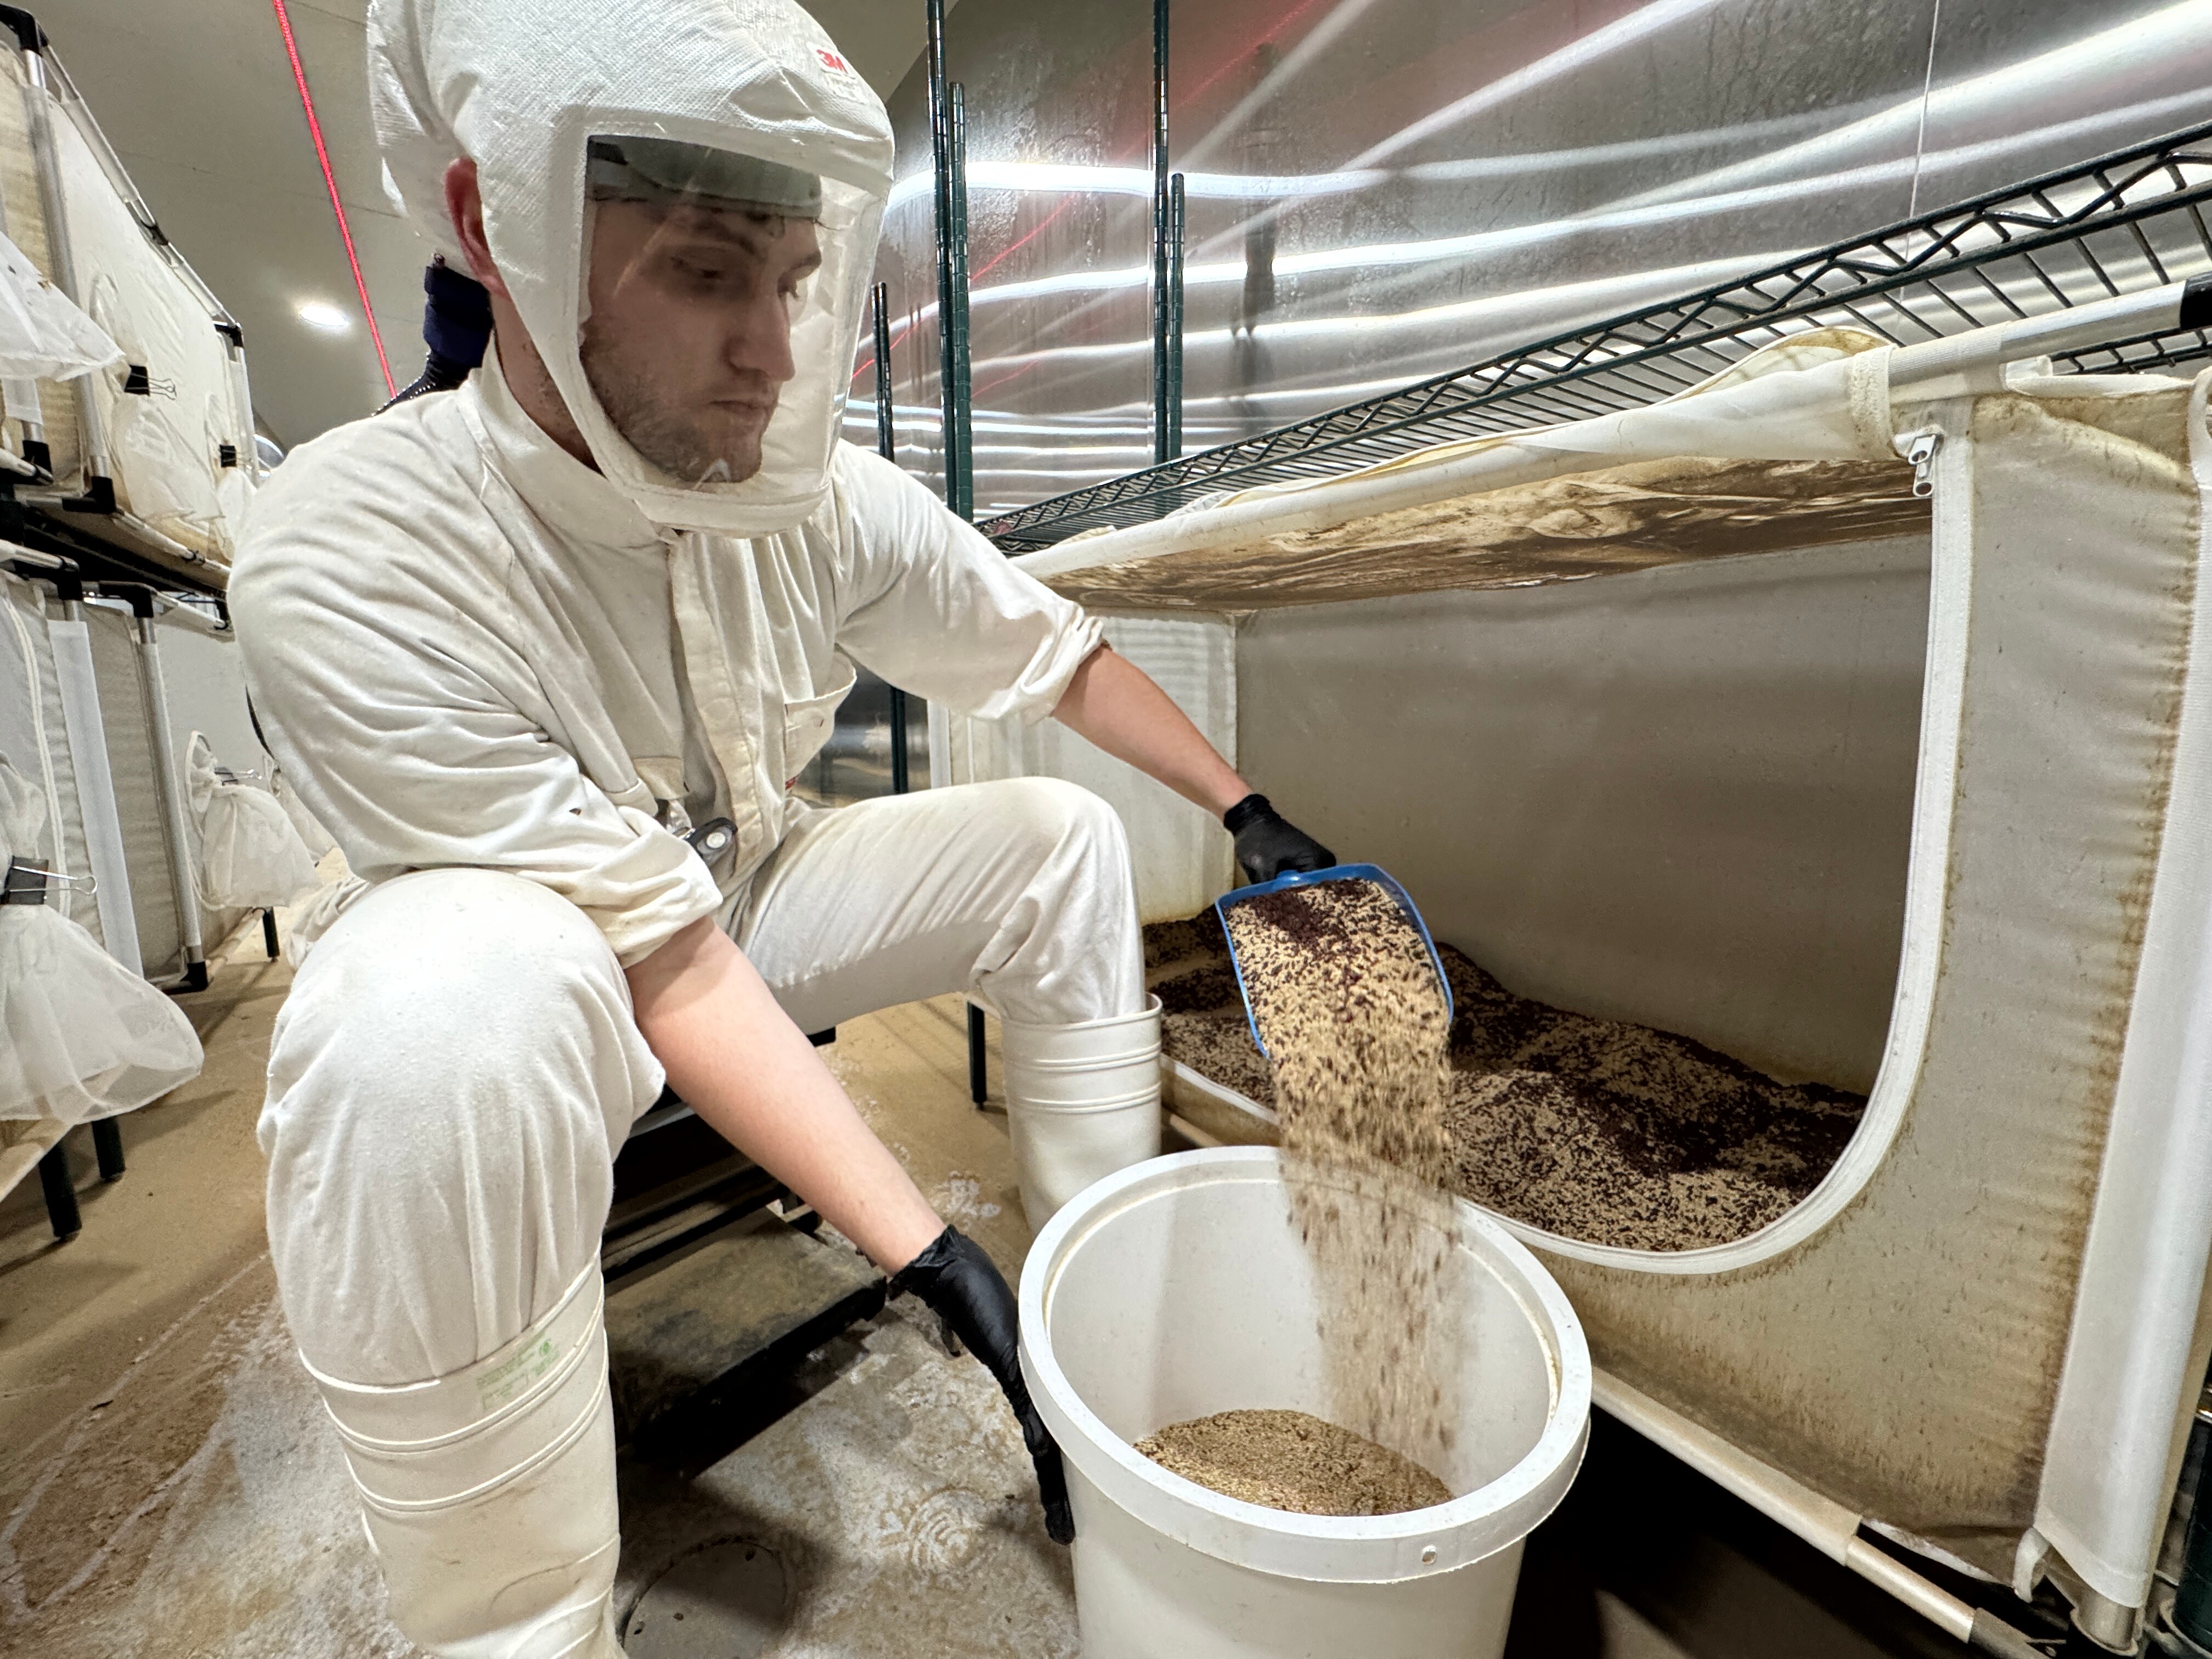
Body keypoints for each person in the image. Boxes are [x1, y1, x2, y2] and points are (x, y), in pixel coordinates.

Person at [229, 1, 1334, 1655]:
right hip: (564, 966)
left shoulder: (797, 494)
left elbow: (1053, 653)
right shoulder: (350, 548)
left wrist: (1249, 814)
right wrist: (924, 1251)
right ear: (497, 228)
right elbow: (659, 953)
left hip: (749, 879)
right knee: (429, 1020)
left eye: (792, 281)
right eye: (699, 274)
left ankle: (1093, 1331)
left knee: (1056, 839)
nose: (769, 349)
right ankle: (508, 1621)